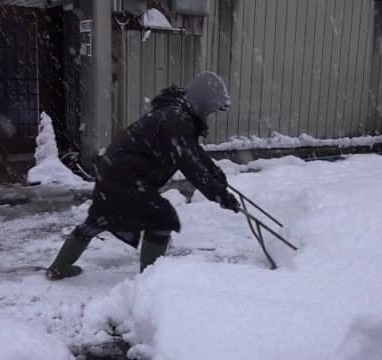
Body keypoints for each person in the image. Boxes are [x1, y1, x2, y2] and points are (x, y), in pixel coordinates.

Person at [46, 71, 241, 280]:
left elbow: (194, 152)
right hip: (126, 178)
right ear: (202, 102)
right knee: (161, 219)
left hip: (115, 172)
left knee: (99, 219)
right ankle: (151, 282)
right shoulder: (176, 119)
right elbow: (188, 162)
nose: (210, 113)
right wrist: (219, 194)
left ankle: (58, 268)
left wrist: (216, 175)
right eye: (211, 108)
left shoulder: (177, 114)